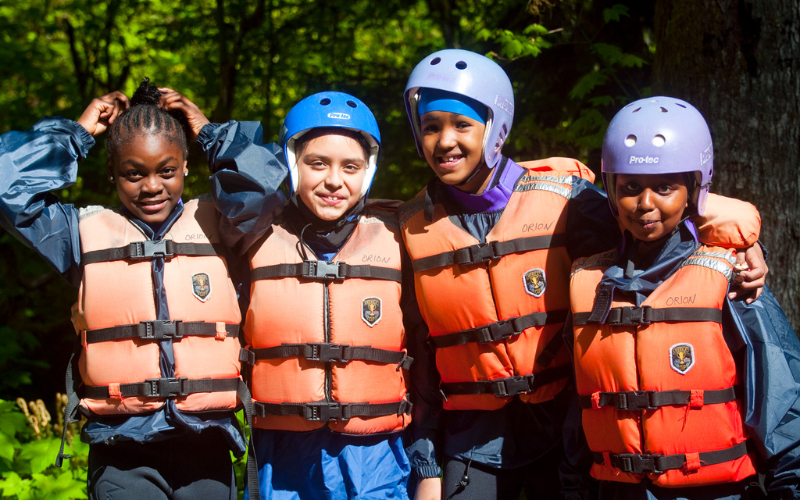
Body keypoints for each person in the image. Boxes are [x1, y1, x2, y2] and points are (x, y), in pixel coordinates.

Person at [397, 49, 769, 500]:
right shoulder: (410, 228)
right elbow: (418, 355)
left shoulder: (566, 201)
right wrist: (427, 462)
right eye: (430, 126)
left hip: (565, 441)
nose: (444, 141)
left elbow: (651, 217)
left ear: (495, 128)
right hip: (472, 444)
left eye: (461, 125)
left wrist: (745, 243)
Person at [0, 79, 257, 500]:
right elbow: (6, 186)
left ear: (186, 165)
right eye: (134, 173)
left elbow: (263, 189)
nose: (151, 186)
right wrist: (77, 134)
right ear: (112, 173)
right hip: (120, 454)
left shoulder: (225, 225)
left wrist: (209, 131)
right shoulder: (78, 234)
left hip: (207, 449)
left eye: (166, 171)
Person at [171, 91, 425, 499]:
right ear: (291, 163)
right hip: (282, 453)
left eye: (351, 166)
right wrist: (211, 135)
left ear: (370, 171)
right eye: (317, 163)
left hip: (373, 454)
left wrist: (426, 461)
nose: (334, 180)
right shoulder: (254, 233)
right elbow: (245, 188)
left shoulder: (398, 238)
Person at [568, 96, 800, 499]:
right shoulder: (587, 281)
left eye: (665, 187)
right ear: (610, 189)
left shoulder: (733, 279)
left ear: (695, 189)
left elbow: (783, 402)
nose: (645, 204)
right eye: (631, 187)